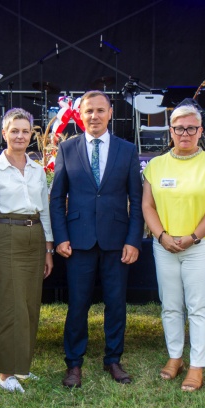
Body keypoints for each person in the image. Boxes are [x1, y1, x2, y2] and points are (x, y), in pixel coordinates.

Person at [50, 90, 143, 388]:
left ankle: (113, 359)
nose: (94, 116)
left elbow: (137, 200)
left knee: (116, 304)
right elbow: (57, 198)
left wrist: (133, 240)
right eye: (89, 111)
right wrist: (61, 237)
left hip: (117, 241)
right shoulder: (67, 149)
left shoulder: (127, 150)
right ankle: (73, 363)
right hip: (78, 241)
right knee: (78, 304)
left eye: (100, 110)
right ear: (81, 115)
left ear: (110, 113)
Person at [142, 105, 205, 391]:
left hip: (199, 245)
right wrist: (161, 236)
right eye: (179, 128)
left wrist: (193, 236)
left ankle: (196, 366)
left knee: (198, 306)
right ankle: (175, 357)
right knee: (170, 305)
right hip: (165, 245)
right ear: (171, 131)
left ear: (200, 131)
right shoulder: (155, 166)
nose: (185, 133)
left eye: (191, 128)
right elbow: (147, 206)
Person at [0, 108, 54, 393]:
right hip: (6, 236)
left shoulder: (37, 170)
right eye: (14, 131)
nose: (20, 136)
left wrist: (48, 249)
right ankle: (5, 374)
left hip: (35, 236)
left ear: (31, 134)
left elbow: (45, 211)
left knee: (29, 305)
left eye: (25, 131)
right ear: (4, 133)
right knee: (8, 305)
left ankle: (22, 366)